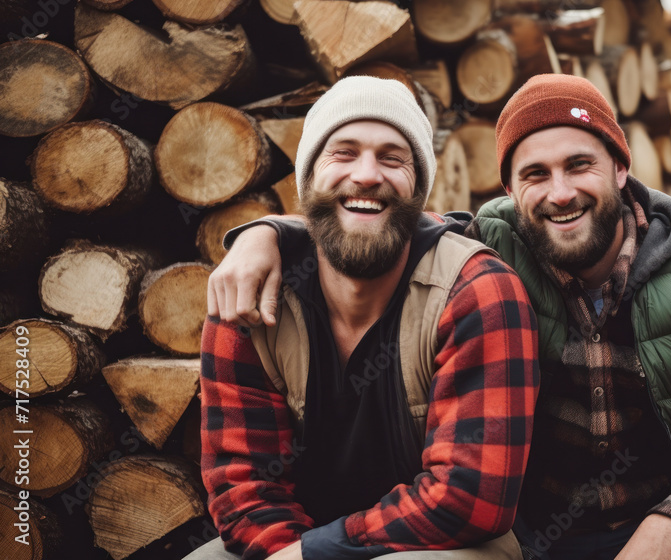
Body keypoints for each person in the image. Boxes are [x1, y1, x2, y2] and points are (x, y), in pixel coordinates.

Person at [211, 74, 671, 560]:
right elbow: (376, 225)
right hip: (547, 536)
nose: (560, 192)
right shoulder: (492, 248)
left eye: (580, 165)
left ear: (621, 168)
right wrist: (265, 235)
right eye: (535, 174)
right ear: (511, 191)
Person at [190, 76, 540, 560]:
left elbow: (466, 499)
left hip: (441, 542)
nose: (368, 175)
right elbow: (243, 487)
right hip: (294, 540)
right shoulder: (248, 295)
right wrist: (290, 550)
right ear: (309, 178)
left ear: (418, 188)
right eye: (344, 153)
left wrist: (314, 553)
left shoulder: (476, 290)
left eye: (392, 158)